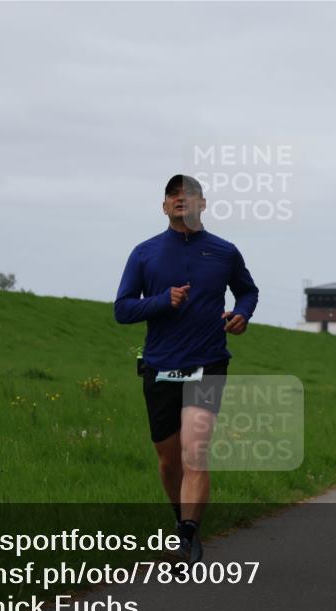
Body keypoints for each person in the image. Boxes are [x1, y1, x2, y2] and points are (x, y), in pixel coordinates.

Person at [114, 174, 259, 563]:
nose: (181, 199)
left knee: (195, 451)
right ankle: (182, 523)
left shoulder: (224, 252)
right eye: (173, 195)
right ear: (164, 206)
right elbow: (122, 309)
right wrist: (163, 300)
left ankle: (188, 536)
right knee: (168, 459)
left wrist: (242, 314)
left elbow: (247, 290)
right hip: (160, 365)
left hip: (208, 362)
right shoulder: (144, 253)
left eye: (189, 194)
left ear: (203, 204)